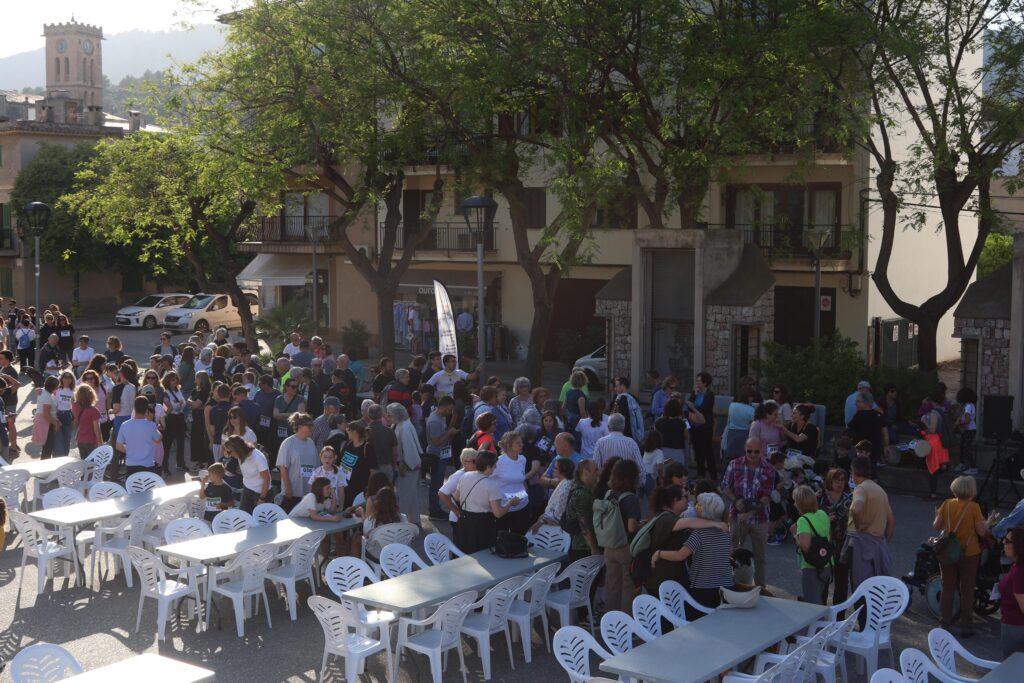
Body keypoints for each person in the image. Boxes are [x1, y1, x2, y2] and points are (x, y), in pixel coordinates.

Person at [933, 475, 996, 636]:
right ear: (971, 490)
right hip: (969, 552)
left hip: (948, 551)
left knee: (947, 587)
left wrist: (937, 514)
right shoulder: (974, 507)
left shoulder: (947, 504)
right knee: (967, 589)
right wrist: (989, 521)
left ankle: (944, 623)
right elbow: (981, 531)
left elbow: (936, 525)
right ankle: (966, 625)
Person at [652, 492, 734, 612]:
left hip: (703, 587)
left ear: (704, 510)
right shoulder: (725, 531)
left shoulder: (699, 533)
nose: (695, 507)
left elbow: (680, 555)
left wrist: (659, 553)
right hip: (726, 585)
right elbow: (728, 553)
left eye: (698, 505)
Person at [720, 437, 775, 588]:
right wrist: (735, 501)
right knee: (733, 555)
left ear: (761, 451)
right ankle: (731, 586)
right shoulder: (734, 464)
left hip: (760, 519)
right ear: (745, 449)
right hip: (737, 517)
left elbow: (766, 496)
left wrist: (749, 514)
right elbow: (724, 486)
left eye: (756, 451)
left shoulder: (769, 469)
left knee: (760, 558)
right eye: (749, 451)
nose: (752, 454)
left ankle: (761, 589)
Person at [452, 450, 520, 553]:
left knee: (465, 554)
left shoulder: (465, 476)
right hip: (481, 525)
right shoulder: (492, 485)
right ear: (488, 467)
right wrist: (510, 503)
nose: (495, 468)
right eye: (494, 465)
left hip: (464, 522)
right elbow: (498, 513)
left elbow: (456, 497)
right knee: (482, 556)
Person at [843, 456, 895, 591]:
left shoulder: (860, 489)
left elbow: (856, 508)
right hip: (878, 543)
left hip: (860, 544)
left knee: (860, 588)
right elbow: (891, 520)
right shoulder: (880, 491)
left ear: (853, 471)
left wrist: (858, 525)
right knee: (874, 588)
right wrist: (886, 540)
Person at [601, 459, 642, 615]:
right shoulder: (631, 498)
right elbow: (631, 527)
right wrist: (643, 525)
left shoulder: (608, 494)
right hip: (625, 547)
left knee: (612, 586)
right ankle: (627, 623)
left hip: (608, 546)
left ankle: (611, 621)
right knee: (628, 587)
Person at [790, 484, 833, 605]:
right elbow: (829, 536)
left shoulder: (803, 520)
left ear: (801, 503)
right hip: (826, 563)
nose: (794, 504)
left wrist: (795, 535)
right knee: (819, 598)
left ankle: (819, 618)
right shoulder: (823, 514)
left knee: (812, 603)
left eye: (795, 501)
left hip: (811, 566)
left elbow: (805, 546)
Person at [644, 484, 690, 595]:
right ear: (675, 500)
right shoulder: (668, 519)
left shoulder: (662, 516)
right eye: (685, 497)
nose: (688, 500)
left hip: (663, 580)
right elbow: (690, 522)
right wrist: (715, 523)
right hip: (665, 582)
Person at [818, 468, 853, 605]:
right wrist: (825, 519)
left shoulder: (850, 498)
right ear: (829, 480)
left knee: (842, 582)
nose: (840, 483)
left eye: (843, 480)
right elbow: (809, 517)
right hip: (823, 544)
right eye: (836, 480)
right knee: (823, 580)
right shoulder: (820, 496)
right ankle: (820, 613)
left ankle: (839, 615)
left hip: (843, 545)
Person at [492, 430, 533, 534]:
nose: (521, 445)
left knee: (521, 537)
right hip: (505, 508)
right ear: (508, 445)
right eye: (518, 443)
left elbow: (521, 479)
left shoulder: (523, 459)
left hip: (523, 505)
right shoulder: (499, 461)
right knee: (503, 539)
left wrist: (525, 492)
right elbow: (489, 481)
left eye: (521, 442)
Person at [389, 402, 423, 526]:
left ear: (396, 415)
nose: (388, 417)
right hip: (409, 465)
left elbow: (409, 450)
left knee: (403, 496)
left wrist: (405, 466)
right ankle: (415, 520)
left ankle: (401, 524)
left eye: (389, 414)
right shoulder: (402, 424)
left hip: (408, 467)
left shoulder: (404, 427)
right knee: (411, 494)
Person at [277, 413, 319, 512]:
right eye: (309, 425)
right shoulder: (288, 443)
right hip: (293, 493)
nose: (312, 428)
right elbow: (283, 468)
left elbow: (316, 467)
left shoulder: (311, 442)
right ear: (299, 426)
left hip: (309, 493)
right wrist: (287, 488)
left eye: (312, 425)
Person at [426, 396, 459, 520]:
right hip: (436, 455)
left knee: (438, 483)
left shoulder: (441, 417)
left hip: (442, 454)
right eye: (449, 409)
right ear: (443, 406)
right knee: (436, 484)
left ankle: (436, 508)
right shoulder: (435, 421)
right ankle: (434, 511)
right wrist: (449, 433)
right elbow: (436, 442)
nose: (450, 412)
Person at [115, 396, 162, 475]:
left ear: (134, 408)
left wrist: (131, 451)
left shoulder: (124, 425)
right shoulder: (151, 425)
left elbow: (118, 446)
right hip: (148, 465)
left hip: (131, 466)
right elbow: (158, 439)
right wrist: (157, 429)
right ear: (146, 409)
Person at [223, 435, 270, 513]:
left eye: (229, 452)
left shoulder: (258, 458)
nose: (229, 455)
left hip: (261, 492)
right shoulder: (240, 455)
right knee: (243, 516)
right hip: (247, 490)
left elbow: (266, 479)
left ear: (237, 449)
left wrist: (262, 498)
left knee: (259, 518)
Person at [921, 385, 952, 500]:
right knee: (940, 465)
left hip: (935, 443)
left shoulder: (934, 412)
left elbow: (932, 429)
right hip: (943, 442)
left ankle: (933, 494)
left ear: (932, 400)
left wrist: (925, 421)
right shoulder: (944, 411)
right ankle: (944, 467)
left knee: (932, 469)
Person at [998, 527, 1024, 658]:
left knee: (1012, 666)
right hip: (1014, 626)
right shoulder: (1017, 566)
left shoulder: (1019, 572)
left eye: (1007, 541)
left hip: (1015, 627)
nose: (1004, 542)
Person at [338, 422, 375, 508]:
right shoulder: (347, 444)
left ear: (354, 432)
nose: (346, 431)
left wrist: (368, 489)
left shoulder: (367, 448)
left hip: (358, 490)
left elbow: (373, 472)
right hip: (344, 488)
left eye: (348, 430)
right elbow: (341, 463)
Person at [438, 448, 478, 527]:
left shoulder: (475, 474)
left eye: (477, 461)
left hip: (470, 518)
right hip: (458, 519)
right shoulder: (458, 476)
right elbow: (441, 493)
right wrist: (456, 511)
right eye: (474, 461)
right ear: (464, 462)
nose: (476, 464)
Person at [532, 458, 575, 530]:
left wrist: (541, 521)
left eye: (556, 468)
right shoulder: (563, 482)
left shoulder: (565, 489)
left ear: (563, 472)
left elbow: (557, 516)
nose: (553, 470)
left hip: (553, 527)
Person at [688, 372, 716, 478]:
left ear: (705, 383)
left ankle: (713, 476)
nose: (697, 383)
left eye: (699, 381)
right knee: (698, 450)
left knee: (708, 451)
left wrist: (694, 408)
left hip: (705, 426)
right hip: (694, 426)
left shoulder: (710, 395)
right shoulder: (694, 393)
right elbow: (689, 406)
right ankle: (700, 473)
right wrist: (694, 395)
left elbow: (706, 408)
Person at [847, 391, 888, 465]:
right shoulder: (879, 415)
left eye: (858, 401)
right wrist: (886, 446)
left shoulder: (858, 416)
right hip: (875, 450)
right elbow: (885, 433)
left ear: (865, 403)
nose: (856, 403)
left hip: (861, 451)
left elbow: (849, 430)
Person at [71, 382, 102, 459]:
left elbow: (75, 421)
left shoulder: (74, 406)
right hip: (91, 440)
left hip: (80, 439)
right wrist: (100, 442)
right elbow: (97, 429)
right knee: (92, 463)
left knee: (84, 462)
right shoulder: (94, 411)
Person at [654, 398, 688, 466]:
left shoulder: (659, 422)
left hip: (662, 452)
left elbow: (655, 436)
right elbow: (686, 437)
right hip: (677, 452)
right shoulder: (682, 423)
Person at [33, 375, 60, 459]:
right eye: (57, 386)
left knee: (47, 447)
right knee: (47, 448)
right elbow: (46, 415)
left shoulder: (44, 391)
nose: (58, 387)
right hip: (46, 423)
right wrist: (56, 423)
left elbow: (37, 390)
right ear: (54, 387)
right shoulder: (47, 397)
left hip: (45, 421)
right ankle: (45, 464)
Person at [611, 376, 644, 443]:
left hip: (624, 433)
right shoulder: (634, 398)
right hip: (633, 433)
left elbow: (621, 417)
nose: (615, 389)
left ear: (622, 386)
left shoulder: (622, 399)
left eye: (617, 386)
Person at [273, 376, 307, 443]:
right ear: (286, 387)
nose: (296, 389)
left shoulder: (300, 398)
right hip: (281, 431)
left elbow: (300, 415)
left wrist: (281, 415)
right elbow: (275, 415)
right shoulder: (279, 399)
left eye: (297, 387)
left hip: (295, 432)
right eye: (293, 387)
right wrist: (294, 414)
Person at [955, 387, 978, 475]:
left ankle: (973, 468)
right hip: (969, 430)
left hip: (969, 430)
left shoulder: (968, 406)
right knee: (963, 447)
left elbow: (967, 420)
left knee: (966, 449)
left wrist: (959, 423)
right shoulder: (970, 405)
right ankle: (962, 464)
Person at [53, 371, 76, 456]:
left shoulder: (74, 391)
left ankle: (65, 458)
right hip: (57, 415)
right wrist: (40, 390)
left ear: (72, 379)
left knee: (67, 439)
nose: (67, 379)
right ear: (61, 378)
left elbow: (75, 407)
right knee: (57, 440)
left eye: (69, 377)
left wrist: (75, 419)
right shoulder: (57, 390)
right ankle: (56, 459)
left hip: (68, 416)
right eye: (65, 377)